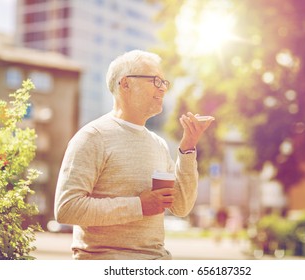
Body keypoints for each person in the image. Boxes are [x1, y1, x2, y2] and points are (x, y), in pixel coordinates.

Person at [54, 49, 214, 260]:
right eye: (155, 81)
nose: (163, 89)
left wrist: (188, 149)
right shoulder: (92, 137)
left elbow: (181, 206)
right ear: (125, 84)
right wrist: (138, 206)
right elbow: (67, 208)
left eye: (164, 83)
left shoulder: (158, 144)